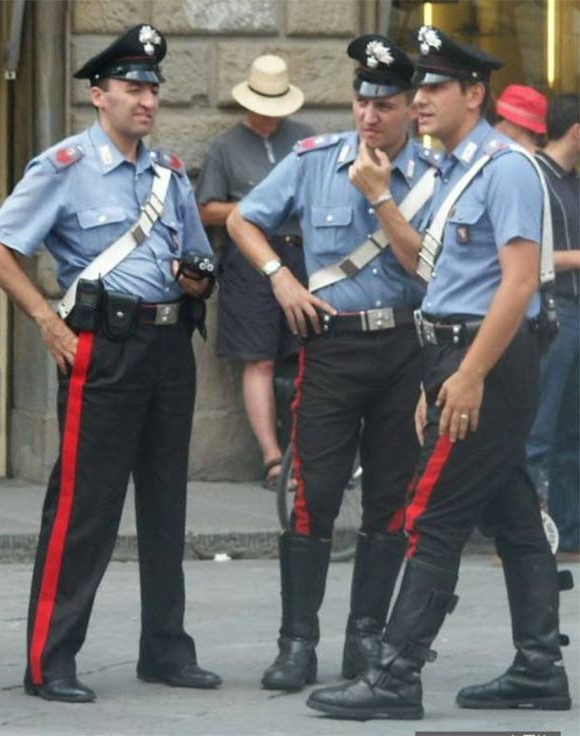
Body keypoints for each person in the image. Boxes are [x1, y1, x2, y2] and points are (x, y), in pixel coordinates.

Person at [307, 26, 572, 720]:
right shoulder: (459, 170)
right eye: (417, 86)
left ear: (473, 95)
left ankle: (395, 676)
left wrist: (469, 375)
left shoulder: (507, 168)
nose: (417, 99)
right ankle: (540, 665)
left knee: (430, 517)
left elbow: (518, 286)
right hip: (455, 352)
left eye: (433, 87)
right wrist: (443, 373)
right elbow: (435, 271)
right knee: (514, 514)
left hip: (487, 353)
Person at [0, 24, 221, 704]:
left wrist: (199, 279)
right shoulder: (63, 166)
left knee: (167, 506)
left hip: (171, 346)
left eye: (153, 89)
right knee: (85, 509)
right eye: (133, 88)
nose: (147, 100)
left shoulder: (168, 172)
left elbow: (198, 258)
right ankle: (50, 660)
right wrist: (46, 321)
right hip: (104, 350)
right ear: (98, 94)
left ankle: (166, 650)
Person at [227, 34, 437, 691]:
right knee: (312, 495)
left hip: (405, 346)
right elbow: (243, 220)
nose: (370, 116)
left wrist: (381, 197)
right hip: (333, 343)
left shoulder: (436, 173)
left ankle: (366, 640)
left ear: (410, 110)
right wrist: (280, 280)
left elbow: (428, 267)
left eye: (386, 104)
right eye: (361, 101)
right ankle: (297, 644)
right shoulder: (315, 158)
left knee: (389, 500)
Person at [196, 55, 312, 490]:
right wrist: (256, 210)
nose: (270, 116)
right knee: (259, 358)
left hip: (300, 253)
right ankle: (272, 457)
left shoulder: (305, 139)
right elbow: (206, 209)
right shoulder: (226, 146)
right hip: (248, 258)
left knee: (309, 356)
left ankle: (309, 450)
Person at [526, 94, 580, 558]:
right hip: (554, 310)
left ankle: (570, 531)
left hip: (576, 311)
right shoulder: (534, 178)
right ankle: (521, 532)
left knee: (572, 428)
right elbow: (526, 256)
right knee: (539, 427)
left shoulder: (573, 182)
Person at [492, 83, 547, 153]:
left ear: (520, 124)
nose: (496, 126)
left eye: (501, 119)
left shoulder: (536, 162)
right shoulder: (500, 150)